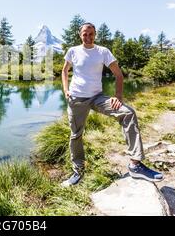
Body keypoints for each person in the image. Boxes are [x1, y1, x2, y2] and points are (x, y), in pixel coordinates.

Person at [61, 22, 163, 187]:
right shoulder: (73, 51)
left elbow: (118, 74)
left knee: (128, 113)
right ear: (80, 35)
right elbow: (65, 71)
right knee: (76, 135)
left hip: (97, 97)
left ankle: (135, 164)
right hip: (77, 99)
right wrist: (66, 90)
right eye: (85, 34)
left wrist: (118, 96)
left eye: (91, 34)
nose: (88, 37)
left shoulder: (103, 52)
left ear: (95, 34)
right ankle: (78, 171)